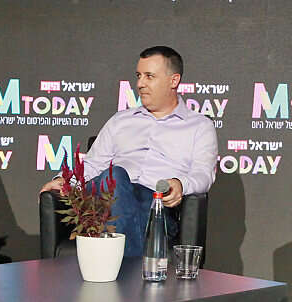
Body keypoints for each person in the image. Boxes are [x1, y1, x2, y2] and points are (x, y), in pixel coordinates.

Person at [40, 46, 218, 255]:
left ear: (174, 80)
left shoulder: (199, 126)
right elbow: (93, 164)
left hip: (154, 208)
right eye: (138, 76)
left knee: (124, 187)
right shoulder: (120, 120)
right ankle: (131, 271)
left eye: (149, 76)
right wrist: (64, 181)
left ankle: (118, 265)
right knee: (116, 177)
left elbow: (203, 174)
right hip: (107, 201)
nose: (140, 84)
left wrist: (180, 184)